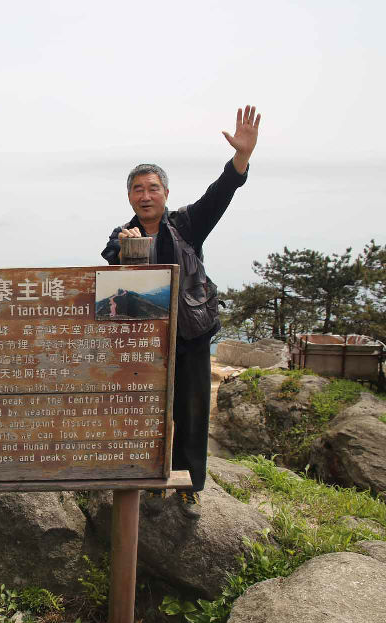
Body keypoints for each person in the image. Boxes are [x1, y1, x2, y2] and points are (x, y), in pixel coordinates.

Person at [101, 105, 261, 518]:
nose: (145, 195)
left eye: (153, 188)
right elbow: (110, 281)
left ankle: (189, 485)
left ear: (166, 194)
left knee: (191, 411)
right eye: (138, 189)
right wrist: (127, 250)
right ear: (129, 197)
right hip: (146, 344)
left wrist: (240, 157)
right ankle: (153, 480)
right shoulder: (120, 236)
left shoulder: (187, 224)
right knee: (150, 412)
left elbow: (219, 195)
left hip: (189, 335)